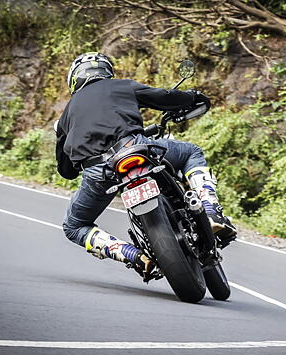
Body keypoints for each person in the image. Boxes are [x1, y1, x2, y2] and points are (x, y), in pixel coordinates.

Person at [55, 52, 236, 279]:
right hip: (136, 148)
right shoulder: (120, 86)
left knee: (74, 226)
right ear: (107, 71)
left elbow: (66, 171)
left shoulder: (66, 115)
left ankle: (132, 255)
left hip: (98, 172)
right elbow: (163, 98)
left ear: (74, 79)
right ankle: (210, 210)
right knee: (191, 151)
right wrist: (192, 98)